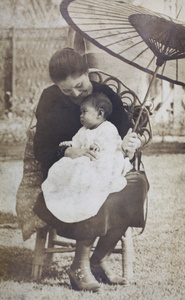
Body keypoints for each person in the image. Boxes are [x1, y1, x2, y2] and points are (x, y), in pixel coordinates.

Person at [33, 48, 149, 292]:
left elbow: (126, 135)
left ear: (88, 73)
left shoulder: (106, 95)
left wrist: (131, 144)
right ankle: (80, 264)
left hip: (105, 169)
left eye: (80, 85)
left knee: (137, 184)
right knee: (92, 186)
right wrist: (68, 151)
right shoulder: (49, 99)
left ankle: (97, 260)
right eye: (66, 90)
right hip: (66, 176)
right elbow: (41, 149)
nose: (75, 95)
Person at [42, 92, 132, 223]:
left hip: (102, 161)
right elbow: (77, 142)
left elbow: (111, 142)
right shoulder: (83, 130)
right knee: (64, 165)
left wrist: (98, 144)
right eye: (81, 112)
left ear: (100, 114)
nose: (81, 116)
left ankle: (86, 196)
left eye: (84, 112)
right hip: (86, 160)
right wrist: (70, 144)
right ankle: (67, 192)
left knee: (85, 169)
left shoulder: (108, 128)